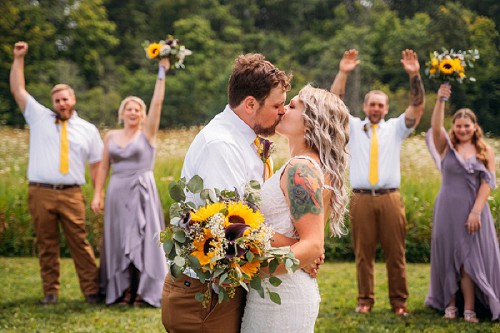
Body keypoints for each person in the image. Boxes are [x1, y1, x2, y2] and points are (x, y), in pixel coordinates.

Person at [161, 53, 292, 332]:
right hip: (205, 296)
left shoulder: (244, 139)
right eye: (277, 105)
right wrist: (297, 249)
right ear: (249, 104)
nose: (283, 111)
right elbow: (230, 229)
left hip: (223, 287)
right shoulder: (221, 146)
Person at [240, 84, 350, 332]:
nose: (282, 110)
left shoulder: (300, 169)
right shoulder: (312, 166)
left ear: (311, 122)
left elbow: (312, 245)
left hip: (281, 294)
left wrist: (252, 269)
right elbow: (301, 240)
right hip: (279, 287)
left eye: (292, 106)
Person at [330, 49, 425, 315]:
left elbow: (417, 107)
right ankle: (365, 301)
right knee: (363, 255)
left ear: (385, 108)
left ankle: (399, 302)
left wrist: (414, 74)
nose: (376, 108)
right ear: (364, 107)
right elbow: (334, 103)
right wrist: (343, 73)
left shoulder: (395, 127)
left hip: (390, 197)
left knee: (396, 254)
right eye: (372, 104)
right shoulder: (353, 128)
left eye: (380, 105)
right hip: (360, 198)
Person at [9, 41, 103, 305]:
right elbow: (18, 89)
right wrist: (18, 59)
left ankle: (92, 291)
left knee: (80, 244)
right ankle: (50, 292)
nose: (62, 103)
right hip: (40, 191)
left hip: (71, 194)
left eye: (65, 99)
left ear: (73, 100)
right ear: (53, 102)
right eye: (57, 100)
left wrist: (98, 193)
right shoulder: (38, 117)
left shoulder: (88, 129)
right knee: (46, 244)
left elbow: (97, 165)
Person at [90, 59, 170, 307]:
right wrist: (97, 193)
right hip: (117, 191)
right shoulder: (110, 136)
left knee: (145, 238)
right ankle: (122, 289)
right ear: (122, 112)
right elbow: (104, 166)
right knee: (119, 238)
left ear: (143, 114)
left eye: (138, 109)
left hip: (142, 189)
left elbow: (157, 103)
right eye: (129, 108)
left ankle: (142, 292)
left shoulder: (147, 133)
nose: (133, 112)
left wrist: (161, 73)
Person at [424, 83, 500, 322]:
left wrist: (476, 212)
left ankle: (470, 307)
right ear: (453, 128)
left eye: (467, 126)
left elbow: (487, 184)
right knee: (449, 256)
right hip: (447, 208)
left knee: (470, 258)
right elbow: (436, 126)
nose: (463, 130)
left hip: (474, 210)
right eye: (458, 126)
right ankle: (450, 304)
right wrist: (440, 101)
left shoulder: (485, 150)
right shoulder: (446, 146)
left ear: (474, 127)